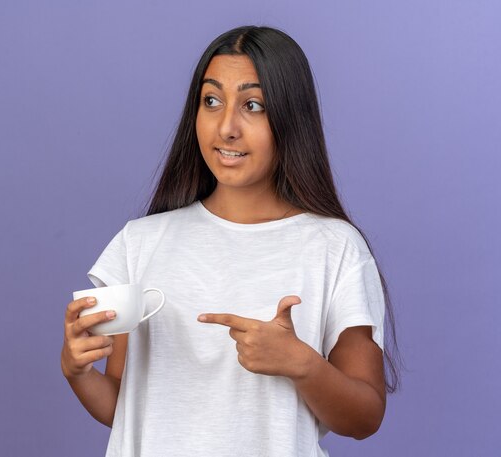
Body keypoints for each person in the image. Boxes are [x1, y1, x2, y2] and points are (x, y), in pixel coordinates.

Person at [61, 25, 401, 457]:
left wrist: (302, 364)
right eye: (212, 101)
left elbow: (365, 417)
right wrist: (78, 371)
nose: (226, 128)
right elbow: (123, 406)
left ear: (290, 118)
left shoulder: (335, 248)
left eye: (253, 105)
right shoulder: (141, 242)